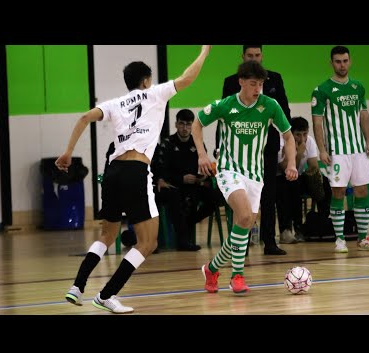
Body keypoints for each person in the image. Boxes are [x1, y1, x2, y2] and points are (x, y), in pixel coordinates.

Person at [56, 45, 211, 313]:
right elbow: (187, 78)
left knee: (106, 235)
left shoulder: (115, 104)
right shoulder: (155, 94)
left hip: (113, 171)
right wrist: (204, 52)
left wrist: (69, 152)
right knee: (148, 242)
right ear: (146, 80)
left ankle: (77, 287)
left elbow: (84, 118)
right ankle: (106, 295)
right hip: (137, 172)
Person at [193, 60, 298, 294]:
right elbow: (197, 123)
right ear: (241, 82)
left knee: (244, 225)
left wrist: (291, 162)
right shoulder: (226, 105)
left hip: (255, 174)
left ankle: (212, 268)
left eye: (260, 84)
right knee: (242, 216)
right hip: (229, 169)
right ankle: (237, 276)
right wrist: (202, 154)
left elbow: (289, 137)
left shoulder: (270, 106)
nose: (257, 88)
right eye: (253, 83)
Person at [218, 45, 292, 255]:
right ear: (242, 57)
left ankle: (269, 241)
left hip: (267, 147)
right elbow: (223, 118)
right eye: (250, 56)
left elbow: (284, 114)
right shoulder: (232, 82)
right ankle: (243, 245)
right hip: (237, 152)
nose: (254, 59)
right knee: (241, 199)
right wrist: (218, 148)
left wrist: (288, 150)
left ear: (262, 56)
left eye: (257, 55)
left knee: (268, 195)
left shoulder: (274, 79)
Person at [312, 45, 369, 254]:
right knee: (339, 192)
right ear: (331, 63)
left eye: (345, 61)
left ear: (350, 61)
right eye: (338, 61)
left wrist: (368, 141)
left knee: (362, 190)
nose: (342, 65)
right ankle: (340, 239)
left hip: (358, 149)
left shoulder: (358, 87)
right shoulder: (321, 90)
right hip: (337, 151)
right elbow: (317, 121)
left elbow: (364, 115)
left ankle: (363, 238)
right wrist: (322, 149)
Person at [152, 108, 223, 251]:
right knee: (175, 197)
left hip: (194, 185)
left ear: (192, 126)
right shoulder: (167, 143)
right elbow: (162, 170)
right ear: (176, 124)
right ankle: (183, 241)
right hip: (174, 186)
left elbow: (203, 167)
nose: (185, 128)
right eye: (182, 124)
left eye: (188, 124)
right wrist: (181, 179)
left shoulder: (198, 144)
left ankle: (189, 222)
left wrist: (202, 176)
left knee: (218, 197)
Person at [276, 116, 332, 243]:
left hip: (299, 177)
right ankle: (293, 228)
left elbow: (313, 166)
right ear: (291, 133)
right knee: (291, 184)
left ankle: (323, 221)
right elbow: (286, 169)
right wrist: (299, 153)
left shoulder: (310, 141)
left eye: (305, 134)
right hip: (282, 180)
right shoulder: (281, 142)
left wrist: (315, 179)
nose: (302, 139)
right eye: (298, 135)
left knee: (324, 182)